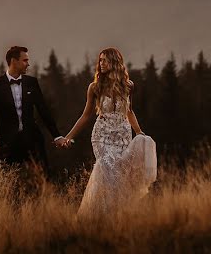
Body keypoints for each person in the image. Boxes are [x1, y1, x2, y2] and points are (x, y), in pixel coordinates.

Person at [62, 47, 157, 216]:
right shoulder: (95, 87)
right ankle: (98, 215)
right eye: (100, 60)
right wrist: (69, 137)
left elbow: (129, 111)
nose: (101, 63)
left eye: (105, 60)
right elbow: (85, 116)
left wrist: (139, 132)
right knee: (106, 170)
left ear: (115, 62)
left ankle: (116, 215)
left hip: (123, 136)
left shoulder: (129, 86)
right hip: (102, 137)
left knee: (120, 177)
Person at [0, 46, 65, 174]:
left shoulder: (32, 82)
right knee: (10, 182)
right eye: (25, 60)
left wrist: (57, 136)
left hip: (33, 141)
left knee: (43, 179)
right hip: (8, 144)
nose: (28, 64)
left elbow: (44, 111)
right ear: (14, 61)